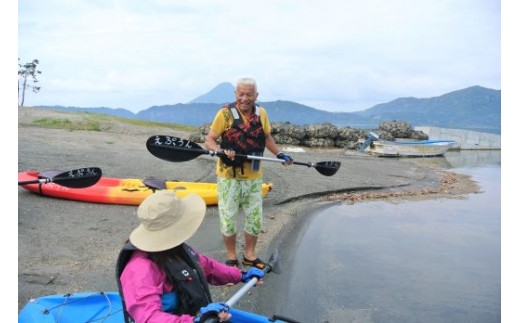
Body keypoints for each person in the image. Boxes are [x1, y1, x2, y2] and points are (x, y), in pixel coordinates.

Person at [116, 190, 265, 323]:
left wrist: (240, 275)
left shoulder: (174, 248)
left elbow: (205, 266)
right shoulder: (139, 269)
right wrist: (196, 320)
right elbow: (148, 318)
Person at [205, 77, 293, 270]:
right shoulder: (225, 114)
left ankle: (249, 255)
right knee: (228, 217)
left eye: (249, 94)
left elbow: (267, 137)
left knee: (254, 218)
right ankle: (231, 257)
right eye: (241, 94)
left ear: (256, 95)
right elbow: (210, 139)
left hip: (253, 177)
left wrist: (280, 154)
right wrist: (219, 150)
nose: (244, 98)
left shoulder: (261, 113)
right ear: (235, 94)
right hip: (229, 176)